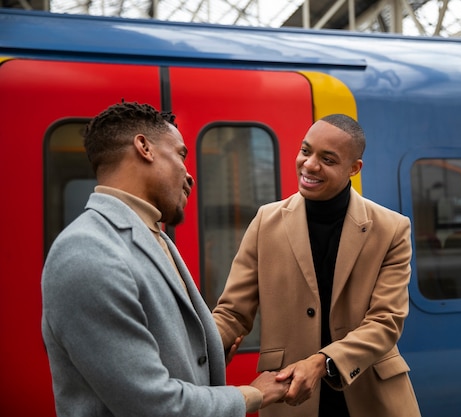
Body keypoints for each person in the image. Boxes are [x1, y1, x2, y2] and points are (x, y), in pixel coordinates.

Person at [41, 101, 289, 417]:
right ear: (144, 147)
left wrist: (202, 355)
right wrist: (253, 394)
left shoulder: (152, 237)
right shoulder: (86, 252)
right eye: (181, 154)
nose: (190, 175)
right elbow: (154, 405)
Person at [212, 114, 421, 417]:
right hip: (288, 398)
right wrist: (196, 351)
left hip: (372, 398)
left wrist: (321, 363)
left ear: (354, 169)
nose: (309, 165)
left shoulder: (392, 228)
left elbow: (385, 323)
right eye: (305, 151)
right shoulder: (265, 222)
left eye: (328, 159)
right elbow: (232, 313)